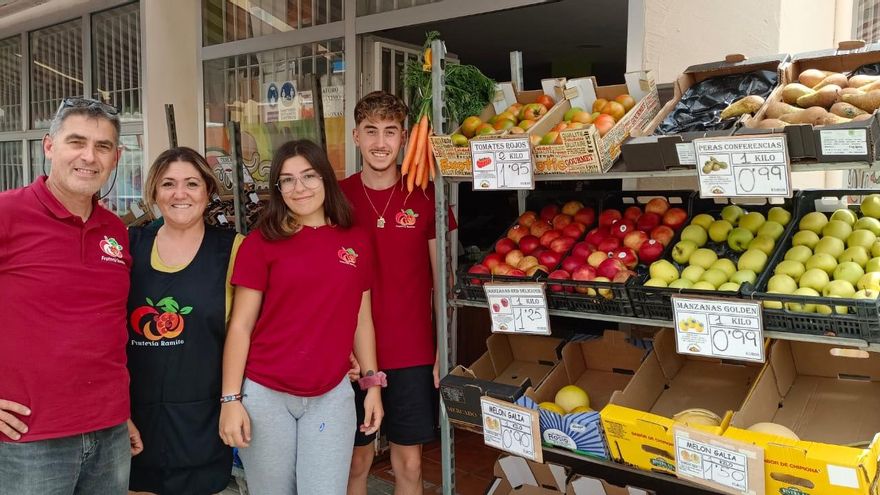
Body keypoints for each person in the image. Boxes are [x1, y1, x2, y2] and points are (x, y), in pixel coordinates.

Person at [219, 139, 384, 494]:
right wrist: (231, 399)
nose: (300, 187)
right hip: (266, 394)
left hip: (331, 394)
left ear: (326, 178)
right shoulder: (260, 243)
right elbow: (241, 326)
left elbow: (361, 319)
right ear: (277, 188)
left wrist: (372, 384)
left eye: (309, 176)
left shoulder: (356, 240)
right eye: (287, 179)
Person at [0, 97, 141, 494]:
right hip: (29, 440)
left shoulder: (115, 230)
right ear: (49, 146)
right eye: (76, 142)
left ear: (117, 156)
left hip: (108, 432)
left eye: (102, 146)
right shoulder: (8, 214)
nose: (88, 157)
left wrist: (118, 412)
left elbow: (105, 329)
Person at [341, 91, 456, 495]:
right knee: (356, 460)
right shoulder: (336, 198)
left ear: (404, 137)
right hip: (351, 354)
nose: (380, 142)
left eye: (390, 132)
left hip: (413, 351)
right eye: (371, 131)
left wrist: (444, 345)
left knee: (408, 462)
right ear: (355, 135)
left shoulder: (426, 195)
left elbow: (445, 278)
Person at [126, 147, 243, 494]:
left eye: (192, 183)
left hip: (203, 423)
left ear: (208, 191)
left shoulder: (233, 249)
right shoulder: (128, 247)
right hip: (135, 424)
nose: (180, 194)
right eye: (168, 184)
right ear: (154, 193)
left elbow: (258, 326)